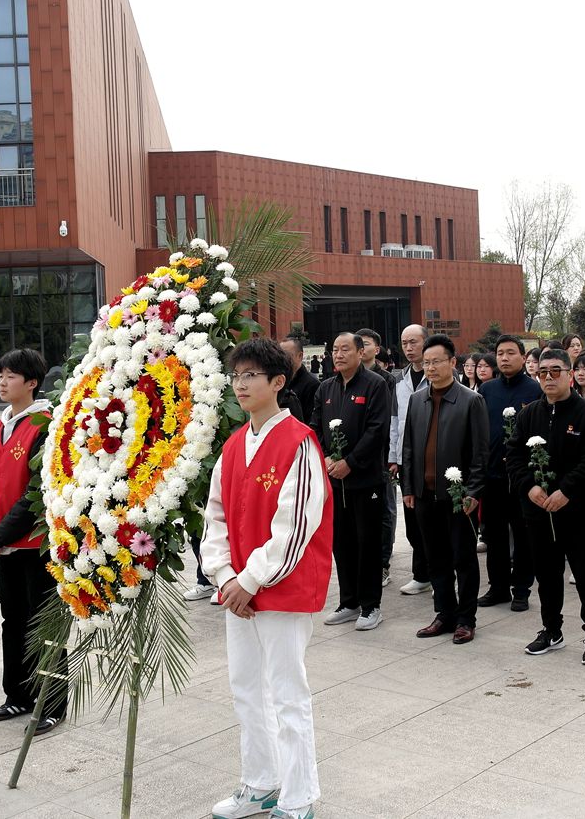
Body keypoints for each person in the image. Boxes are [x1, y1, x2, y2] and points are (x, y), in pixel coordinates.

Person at [201, 338, 332, 819]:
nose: (240, 384)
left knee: (287, 693)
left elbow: (295, 527)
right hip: (238, 591)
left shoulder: (298, 442)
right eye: (236, 376)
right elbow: (214, 517)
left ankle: (299, 796)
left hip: (281, 588)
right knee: (246, 689)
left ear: (278, 382)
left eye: (251, 375)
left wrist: (250, 579)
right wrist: (224, 576)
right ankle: (260, 783)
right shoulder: (233, 445)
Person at [0, 348, 64, 734]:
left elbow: (38, 492)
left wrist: (2, 533)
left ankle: (52, 704)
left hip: (36, 547)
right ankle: (18, 696)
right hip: (6, 548)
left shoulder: (45, 425)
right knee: (12, 622)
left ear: (32, 383)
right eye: (0, 375)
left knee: (45, 626)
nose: (2, 382)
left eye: (11, 376)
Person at [507, 349, 585, 665]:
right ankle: (551, 630)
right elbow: (514, 456)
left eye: (556, 371)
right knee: (547, 575)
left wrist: (566, 491)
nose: (549, 378)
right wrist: (530, 487)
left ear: (570, 374)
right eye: (543, 372)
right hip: (539, 511)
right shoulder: (528, 415)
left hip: (577, 511)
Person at [402, 334, 489, 644]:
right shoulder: (417, 400)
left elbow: (480, 453)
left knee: (463, 558)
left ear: (453, 362)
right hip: (424, 494)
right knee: (435, 557)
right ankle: (444, 613)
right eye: (426, 363)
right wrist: (408, 487)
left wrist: (473, 492)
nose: (431, 368)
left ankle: (466, 618)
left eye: (437, 361)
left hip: (458, 497)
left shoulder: (471, 400)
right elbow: (408, 447)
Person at [311, 332, 392, 631]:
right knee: (341, 543)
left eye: (345, 349)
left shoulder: (375, 384)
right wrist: (325, 458)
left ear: (360, 353)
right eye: (335, 349)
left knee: (367, 543)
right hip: (335, 481)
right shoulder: (326, 387)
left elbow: (377, 430)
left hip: (365, 479)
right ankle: (349, 601)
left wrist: (351, 463)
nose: (339, 354)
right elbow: (315, 426)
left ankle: (371, 606)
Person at [476, 334, 542, 612]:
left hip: (523, 476)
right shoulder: (486, 389)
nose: (504, 358)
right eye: (500, 353)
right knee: (494, 534)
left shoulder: (535, 390)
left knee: (523, 533)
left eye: (511, 353)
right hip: (492, 474)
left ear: (523, 357)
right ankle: (498, 587)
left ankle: (522, 589)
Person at [356, 328, 401, 590]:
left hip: (382, 456)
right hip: (355, 458)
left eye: (366, 343)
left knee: (385, 509)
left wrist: (391, 455)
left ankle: (383, 561)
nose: (362, 348)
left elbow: (390, 421)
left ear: (377, 349)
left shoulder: (386, 380)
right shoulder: (346, 378)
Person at [393, 325, 433, 596]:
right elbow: (394, 420)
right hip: (406, 459)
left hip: (433, 458)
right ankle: (421, 574)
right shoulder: (399, 379)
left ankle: (442, 571)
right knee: (413, 521)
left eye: (414, 342)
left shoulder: (440, 375)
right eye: (404, 343)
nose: (408, 348)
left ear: (425, 343)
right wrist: (392, 457)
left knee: (434, 520)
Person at [279, 336, 320, 425]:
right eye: (280, 356)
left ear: (300, 356)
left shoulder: (312, 384)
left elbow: (311, 421)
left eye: (287, 355)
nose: (283, 359)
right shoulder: (278, 382)